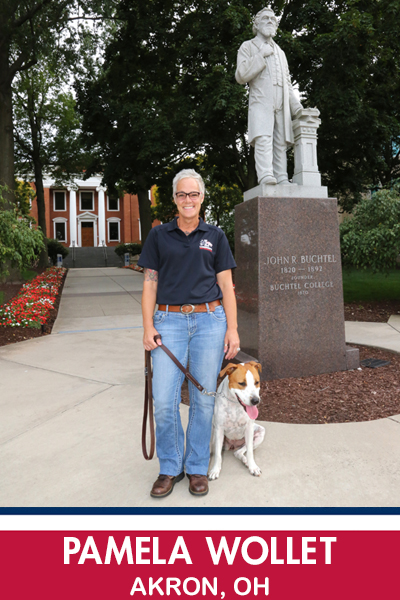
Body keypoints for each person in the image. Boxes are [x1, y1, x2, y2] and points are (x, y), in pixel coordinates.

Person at [139, 169, 240, 498]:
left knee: (203, 399)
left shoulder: (216, 236)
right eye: (182, 194)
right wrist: (147, 327)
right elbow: (150, 282)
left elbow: (226, 285)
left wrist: (233, 329)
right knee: (165, 401)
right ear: (174, 198)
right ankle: (170, 467)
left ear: (202, 197)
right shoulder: (159, 235)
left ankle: (197, 466)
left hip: (210, 322)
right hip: (168, 323)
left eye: (193, 194)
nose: (188, 200)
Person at [236, 7, 303, 186]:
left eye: (273, 19)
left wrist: (296, 107)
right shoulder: (248, 46)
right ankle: (265, 174)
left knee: (280, 140)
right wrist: (260, 56)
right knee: (264, 137)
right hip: (261, 100)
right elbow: (240, 75)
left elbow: (287, 82)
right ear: (256, 24)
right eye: (265, 18)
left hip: (281, 100)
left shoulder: (281, 52)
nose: (270, 21)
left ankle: (281, 176)